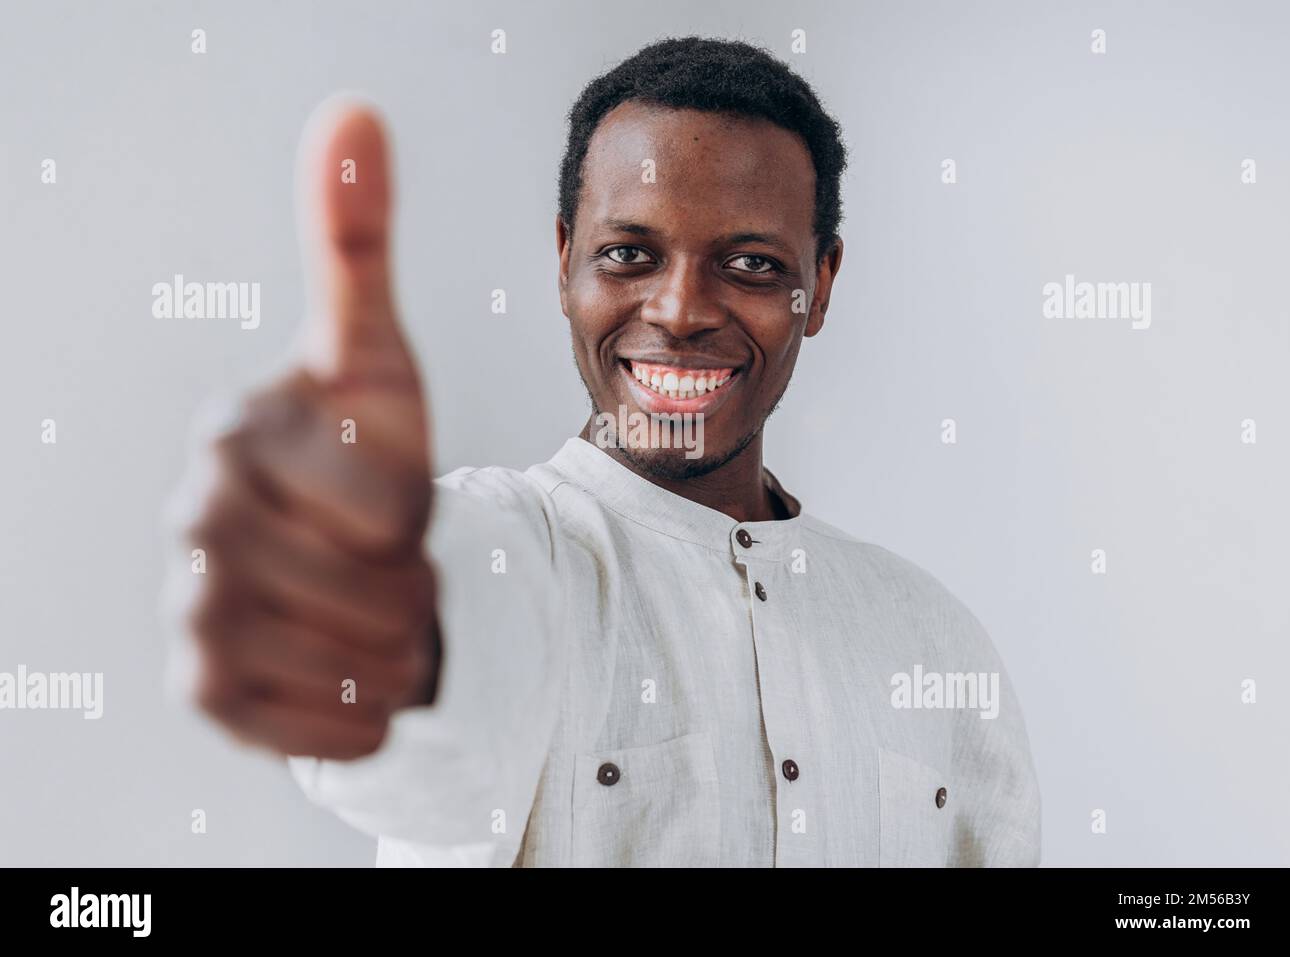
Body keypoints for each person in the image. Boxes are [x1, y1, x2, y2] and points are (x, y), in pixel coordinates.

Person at [174, 37, 1040, 867]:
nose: (679, 310)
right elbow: (454, 657)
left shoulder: (935, 641)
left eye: (749, 264)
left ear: (821, 285)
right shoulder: (512, 555)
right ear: (564, 263)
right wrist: (375, 618)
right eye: (629, 254)